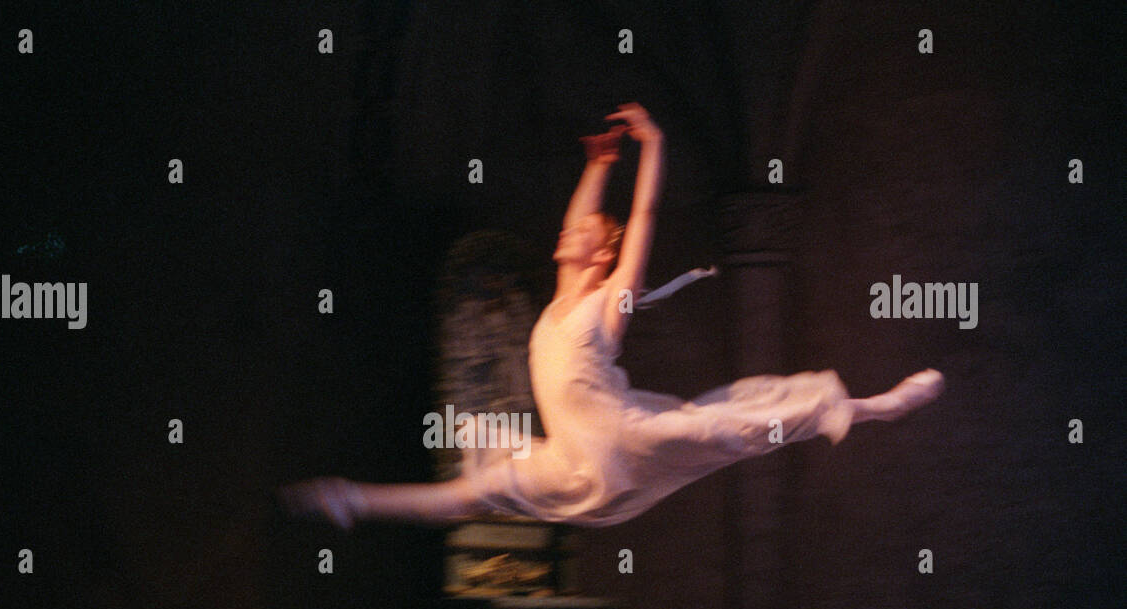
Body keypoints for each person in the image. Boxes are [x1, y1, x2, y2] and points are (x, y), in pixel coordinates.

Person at [282, 103, 944, 531]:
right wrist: (598, 164)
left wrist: (652, 145)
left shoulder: (609, 301)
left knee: (740, 420)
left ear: (602, 253)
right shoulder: (560, 299)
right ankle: (352, 498)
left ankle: (878, 406)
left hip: (627, 439)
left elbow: (645, 219)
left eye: (582, 234)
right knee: (471, 492)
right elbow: (579, 222)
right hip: (574, 459)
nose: (564, 235)